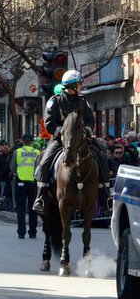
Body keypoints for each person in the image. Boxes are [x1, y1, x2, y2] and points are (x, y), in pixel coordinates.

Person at [33, 70, 109, 213]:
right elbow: (49, 123)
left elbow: (89, 120)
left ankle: (105, 197)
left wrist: (86, 130)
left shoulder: (82, 100)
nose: (81, 86)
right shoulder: (54, 101)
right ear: (73, 85)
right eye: (80, 84)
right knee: (44, 162)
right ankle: (41, 198)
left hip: (81, 139)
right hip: (60, 140)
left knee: (101, 158)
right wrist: (63, 133)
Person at [11, 133, 40, 239]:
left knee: (21, 208)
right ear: (32, 142)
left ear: (22, 141)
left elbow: (13, 168)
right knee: (33, 209)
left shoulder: (17, 152)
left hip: (21, 182)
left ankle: (21, 233)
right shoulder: (37, 152)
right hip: (33, 183)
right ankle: (32, 232)